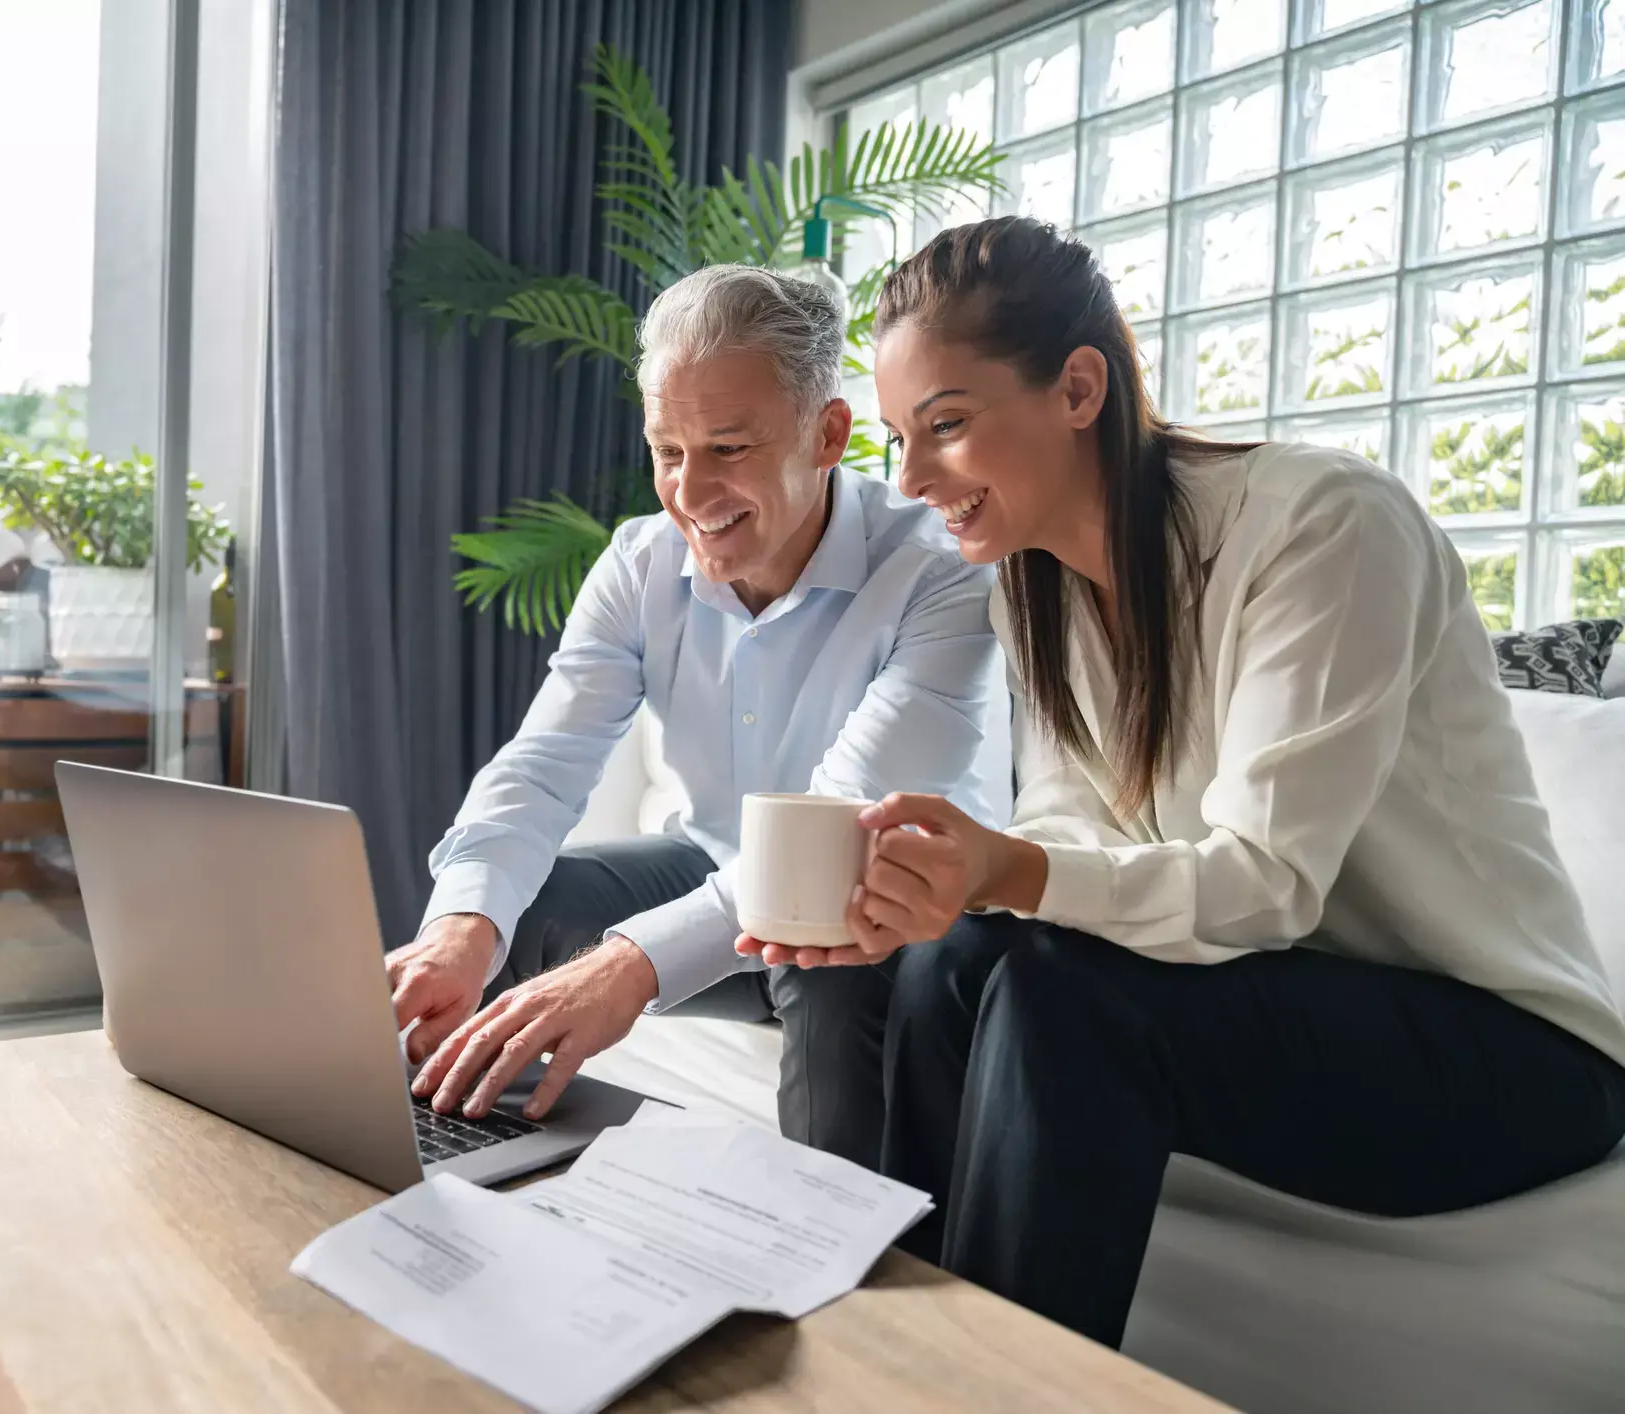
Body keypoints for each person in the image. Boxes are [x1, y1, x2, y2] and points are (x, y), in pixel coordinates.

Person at [738, 215, 1625, 1348]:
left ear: (1076, 388)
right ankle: (889, 1351)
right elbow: (1071, 833)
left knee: (1065, 1001)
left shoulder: (1322, 525)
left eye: (945, 427)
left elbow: (1263, 885)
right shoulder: (1032, 581)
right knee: (944, 954)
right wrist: (942, 892)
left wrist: (1004, 866)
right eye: (900, 441)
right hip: (1271, 997)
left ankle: (1003, 1385)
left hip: (1509, 1057)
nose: (910, 479)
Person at [390, 264, 999, 1164]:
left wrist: (630, 967)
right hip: (709, 869)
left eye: (728, 448)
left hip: (884, 912)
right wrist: (460, 927)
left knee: (828, 957)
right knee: (513, 908)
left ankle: (843, 1266)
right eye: (667, 451)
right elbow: (542, 764)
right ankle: (472, 1160)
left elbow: (839, 828)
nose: (689, 491)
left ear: (828, 432)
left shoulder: (939, 570)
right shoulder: (638, 564)